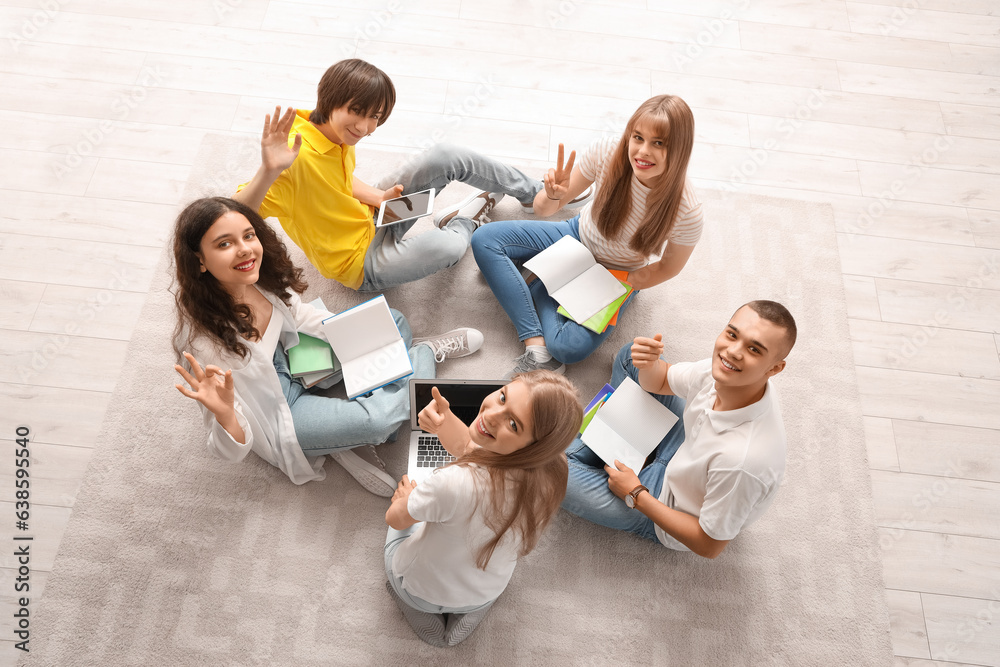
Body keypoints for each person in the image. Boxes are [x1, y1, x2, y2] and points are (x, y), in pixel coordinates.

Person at [170, 196, 485, 497]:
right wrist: (225, 415)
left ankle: (350, 425)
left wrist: (361, 336)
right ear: (199, 261)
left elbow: (302, 315)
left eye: (249, 236)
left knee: (392, 321)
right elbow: (228, 448)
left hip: (291, 356)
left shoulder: (261, 280)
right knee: (378, 422)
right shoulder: (202, 345)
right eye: (224, 244)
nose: (244, 250)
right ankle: (422, 356)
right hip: (283, 413)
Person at [233, 58, 590, 292]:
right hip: (360, 263)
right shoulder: (290, 160)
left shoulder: (333, 133)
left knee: (444, 155)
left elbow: (335, 183)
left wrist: (376, 197)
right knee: (449, 245)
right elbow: (232, 214)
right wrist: (268, 170)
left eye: (375, 117)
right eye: (357, 112)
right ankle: (465, 220)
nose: (365, 126)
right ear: (329, 99)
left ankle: (537, 194)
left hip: (376, 213)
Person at [471, 94, 704, 378]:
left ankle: (539, 283)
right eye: (637, 137)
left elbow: (668, 268)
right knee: (484, 239)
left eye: (658, 143)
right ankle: (535, 344)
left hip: (619, 272)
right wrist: (551, 195)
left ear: (680, 149)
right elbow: (546, 209)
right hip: (575, 236)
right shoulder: (607, 152)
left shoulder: (688, 210)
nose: (642, 151)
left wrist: (619, 285)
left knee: (569, 348)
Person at [561, 301, 796, 559]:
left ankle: (587, 449)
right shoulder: (719, 369)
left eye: (753, 349)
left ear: (774, 368)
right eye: (732, 334)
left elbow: (709, 545)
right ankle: (596, 447)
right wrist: (650, 365)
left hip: (668, 505)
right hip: (684, 445)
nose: (733, 352)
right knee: (632, 357)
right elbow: (660, 379)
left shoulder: (741, 463)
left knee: (550, 469)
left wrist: (636, 494)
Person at [383, 371, 582, 647]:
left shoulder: (452, 484)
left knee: (397, 536)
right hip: (487, 591)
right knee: (476, 583)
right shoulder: (553, 472)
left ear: (532, 447)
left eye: (513, 423)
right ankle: (468, 615)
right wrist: (444, 422)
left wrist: (407, 497)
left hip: (422, 590)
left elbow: (395, 519)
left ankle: (428, 623)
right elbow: (469, 446)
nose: (491, 415)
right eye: (502, 397)